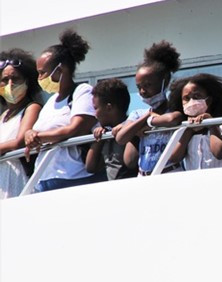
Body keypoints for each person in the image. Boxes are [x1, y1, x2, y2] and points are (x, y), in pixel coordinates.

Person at [24, 29, 106, 192]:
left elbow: (76, 128)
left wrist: (39, 137)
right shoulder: (50, 102)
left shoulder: (82, 91)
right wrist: (30, 134)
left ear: (60, 71)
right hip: (44, 177)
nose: (40, 78)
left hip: (74, 177)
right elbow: (36, 132)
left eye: (42, 73)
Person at [115, 41, 184, 176]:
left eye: (147, 85)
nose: (142, 91)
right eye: (139, 87)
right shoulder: (138, 114)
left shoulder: (175, 108)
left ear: (165, 81)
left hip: (170, 173)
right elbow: (121, 138)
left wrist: (149, 122)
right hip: (144, 175)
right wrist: (146, 117)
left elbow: (172, 119)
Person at [168, 73, 222, 169]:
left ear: (209, 100)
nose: (191, 101)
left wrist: (211, 124)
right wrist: (189, 130)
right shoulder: (184, 130)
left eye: (197, 96)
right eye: (186, 98)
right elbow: (174, 158)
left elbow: (219, 153)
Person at [0, 49, 42, 198]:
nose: (9, 84)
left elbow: (19, 141)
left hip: (18, 177)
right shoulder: (3, 115)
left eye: (15, 79)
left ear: (28, 81)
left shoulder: (32, 108)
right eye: (4, 80)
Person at [86, 78, 138, 180]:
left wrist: (126, 132)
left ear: (109, 108)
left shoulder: (133, 128)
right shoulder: (106, 132)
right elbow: (91, 167)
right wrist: (98, 140)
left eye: (96, 108)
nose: (94, 114)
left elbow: (131, 162)